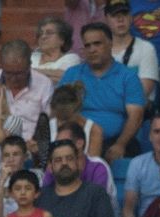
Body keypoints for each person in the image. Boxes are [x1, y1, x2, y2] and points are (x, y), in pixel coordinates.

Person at [59, 22, 146, 161]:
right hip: (76, 140)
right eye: (87, 45)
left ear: (110, 44)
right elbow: (59, 111)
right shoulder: (72, 74)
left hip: (113, 141)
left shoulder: (127, 76)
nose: (92, 49)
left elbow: (136, 116)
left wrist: (120, 144)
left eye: (97, 44)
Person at [0, 40, 55, 143]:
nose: (13, 79)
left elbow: (49, 123)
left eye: (19, 74)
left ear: (29, 65)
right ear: (2, 65)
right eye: (8, 73)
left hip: (30, 148)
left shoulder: (44, 83)